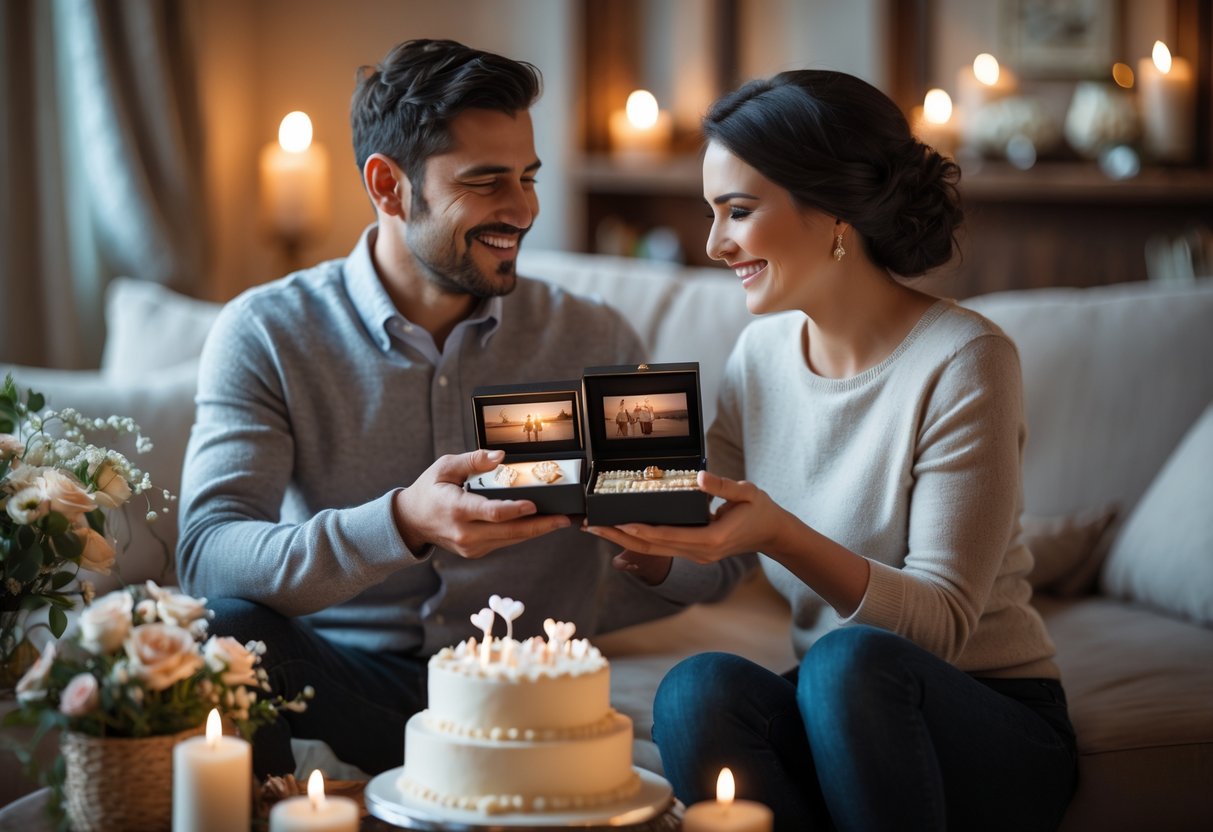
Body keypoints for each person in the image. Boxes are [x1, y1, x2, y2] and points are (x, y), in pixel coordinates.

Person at [176, 38, 748, 779]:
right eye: (486, 183)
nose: (523, 209)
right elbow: (205, 556)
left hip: (529, 690)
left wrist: (653, 547)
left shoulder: (593, 335)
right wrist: (402, 523)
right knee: (227, 631)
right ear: (388, 187)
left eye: (528, 177)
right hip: (349, 676)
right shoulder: (268, 333)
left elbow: (719, 574)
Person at [585, 70, 1077, 831]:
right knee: (695, 690)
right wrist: (653, 549)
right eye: (710, 215)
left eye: (738, 212)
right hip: (836, 709)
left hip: (983, 715)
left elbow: (940, 623)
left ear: (836, 214)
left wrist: (779, 530)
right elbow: (721, 558)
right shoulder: (760, 355)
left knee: (847, 661)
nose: (715, 244)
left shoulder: (964, 359)